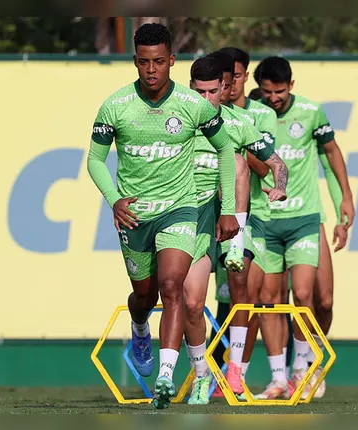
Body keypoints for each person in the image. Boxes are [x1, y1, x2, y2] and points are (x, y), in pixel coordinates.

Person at [85, 22, 240, 410]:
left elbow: (225, 151)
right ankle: (140, 328)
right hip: (135, 216)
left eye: (158, 61)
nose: (150, 70)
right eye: (142, 62)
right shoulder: (115, 106)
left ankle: (167, 377)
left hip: (180, 209)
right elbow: (95, 160)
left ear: (171, 60)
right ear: (134, 62)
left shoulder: (193, 105)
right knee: (145, 294)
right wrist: (114, 199)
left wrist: (226, 211)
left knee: (173, 287)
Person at [183, 54, 288, 404]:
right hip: (190, 216)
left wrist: (280, 185)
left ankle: (236, 369)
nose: (209, 98)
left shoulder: (240, 123)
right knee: (187, 298)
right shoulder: (176, 122)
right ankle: (196, 371)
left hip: (237, 217)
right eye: (201, 91)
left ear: (226, 89)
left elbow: (277, 164)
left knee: (241, 284)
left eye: (216, 90)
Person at [253, 56, 355, 400]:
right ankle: (280, 377)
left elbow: (331, 152)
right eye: (267, 92)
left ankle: (305, 364)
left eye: (280, 91)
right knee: (269, 299)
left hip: (305, 218)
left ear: (291, 86)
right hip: (265, 222)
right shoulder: (253, 112)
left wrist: (345, 199)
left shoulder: (311, 112)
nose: (274, 98)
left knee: (313, 297)